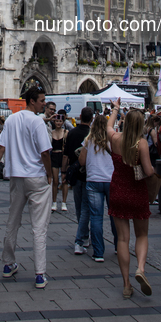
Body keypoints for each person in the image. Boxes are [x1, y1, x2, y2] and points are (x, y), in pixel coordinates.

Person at [0, 86, 53, 289]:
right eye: (42, 100)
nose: (44, 104)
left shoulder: (11, 119)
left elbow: (1, 148)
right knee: (39, 228)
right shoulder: (38, 122)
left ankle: (8, 264)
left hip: (16, 178)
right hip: (37, 178)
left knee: (12, 221)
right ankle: (40, 274)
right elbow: (45, 153)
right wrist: (49, 174)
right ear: (32, 101)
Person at [106, 104, 154, 296]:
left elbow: (108, 127)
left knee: (123, 239)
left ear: (125, 123)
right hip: (137, 193)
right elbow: (149, 171)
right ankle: (140, 269)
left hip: (118, 191)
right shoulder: (141, 143)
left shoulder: (116, 139)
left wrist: (115, 110)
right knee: (141, 235)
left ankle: (126, 285)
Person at [77, 113, 117, 262]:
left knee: (96, 216)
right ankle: (119, 246)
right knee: (114, 215)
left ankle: (99, 253)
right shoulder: (112, 139)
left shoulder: (88, 140)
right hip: (111, 180)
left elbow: (81, 161)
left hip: (93, 181)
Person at [62, 107, 93, 254]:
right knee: (87, 208)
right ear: (91, 118)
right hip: (88, 175)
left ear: (80, 116)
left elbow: (66, 155)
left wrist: (63, 172)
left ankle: (84, 235)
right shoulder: (92, 135)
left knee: (80, 207)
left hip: (74, 175)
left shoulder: (72, 132)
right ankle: (82, 238)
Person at [50, 113, 69, 212]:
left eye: (60, 121)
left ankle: (64, 202)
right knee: (55, 180)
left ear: (63, 122)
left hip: (62, 156)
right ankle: (54, 202)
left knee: (64, 180)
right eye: (57, 121)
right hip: (54, 156)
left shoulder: (66, 132)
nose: (58, 123)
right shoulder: (51, 132)